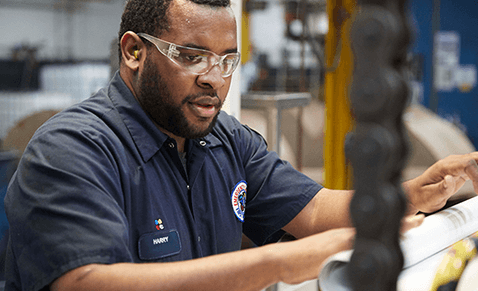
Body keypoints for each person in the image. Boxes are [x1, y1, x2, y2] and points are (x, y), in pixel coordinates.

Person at [4, 0, 478, 290]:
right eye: (191, 57)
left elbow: (314, 211)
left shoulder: (223, 139)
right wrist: (281, 261)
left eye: (228, 61)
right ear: (133, 51)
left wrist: (414, 193)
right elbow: (89, 284)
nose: (214, 80)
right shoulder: (72, 151)